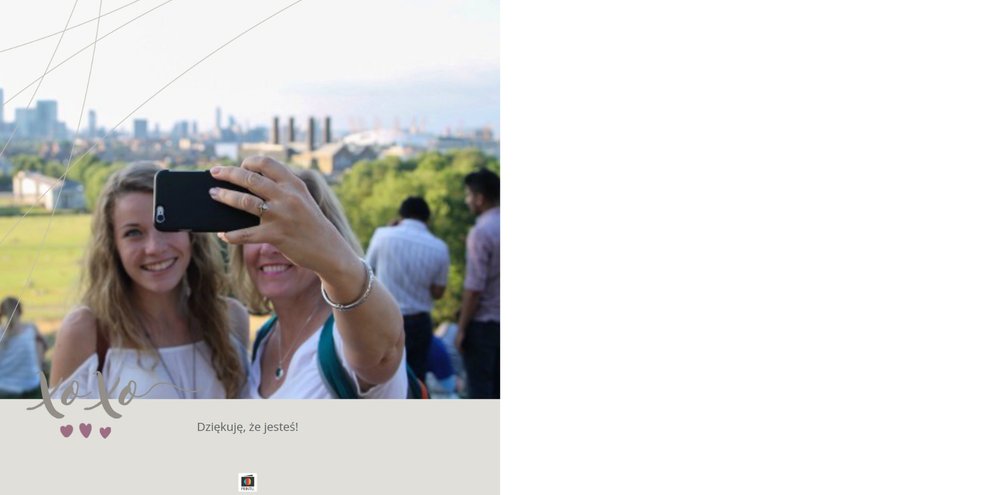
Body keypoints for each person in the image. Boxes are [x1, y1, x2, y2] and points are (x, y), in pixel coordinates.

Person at [48, 162, 250, 399]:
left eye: (166, 224)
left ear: (191, 235)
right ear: (112, 247)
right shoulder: (86, 331)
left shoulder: (230, 319)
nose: (154, 248)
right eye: (133, 233)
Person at [213, 156, 407, 399]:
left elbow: (385, 351)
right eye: (257, 227)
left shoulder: (344, 337)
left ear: (327, 237)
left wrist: (337, 265)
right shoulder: (265, 338)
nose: (269, 247)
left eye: (288, 232)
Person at [365, 196, 450, 380]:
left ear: (401, 215)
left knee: (384, 377)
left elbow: (367, 271)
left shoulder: (383, 235)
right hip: (420, 322)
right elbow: (438, 292)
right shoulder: (440, 248)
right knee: (416, 376)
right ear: (427, 219)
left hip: (385, 317)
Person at [456, 168, 500, 399]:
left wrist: (462, 328)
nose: (467, 201)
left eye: (469, 195)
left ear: (480, 198)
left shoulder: (481, 232)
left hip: (485, 325)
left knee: (480, 393)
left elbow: (474, 289)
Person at [0, 297, 44, 399]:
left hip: (3, 388)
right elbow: (40, 356)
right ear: (20, 311)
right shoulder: (31, 329)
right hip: (31, 385)